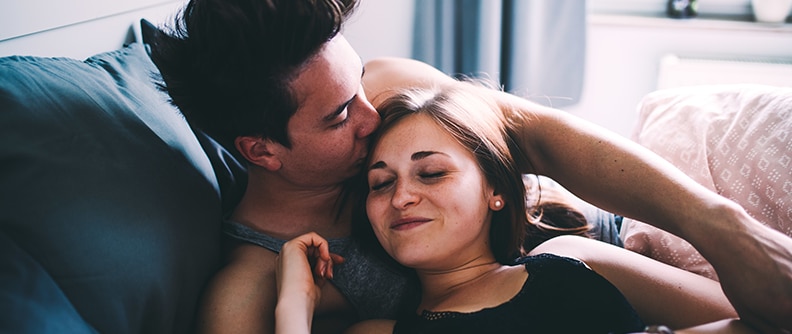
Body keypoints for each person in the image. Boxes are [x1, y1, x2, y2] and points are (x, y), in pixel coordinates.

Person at [149, 0, 792, 332]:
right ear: (261, 150)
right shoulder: (249, 289)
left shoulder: (383, 85)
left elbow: (531, 132)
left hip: (616, 228)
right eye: (341, 114)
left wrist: (724, 228)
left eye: (429, 171)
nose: (373, 116)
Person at [274, 83, 753, 334]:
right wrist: (295, 302)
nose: (400, 198)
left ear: (494, 190)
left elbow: (762, 319)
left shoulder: (574, 262)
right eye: (380, 184)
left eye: (432, 173)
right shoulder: (378, 333)